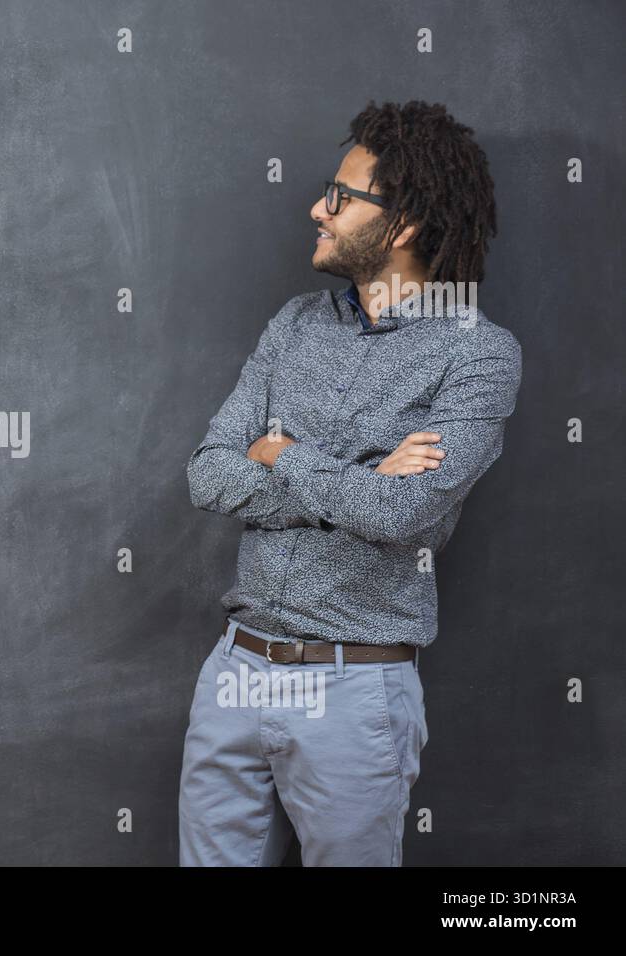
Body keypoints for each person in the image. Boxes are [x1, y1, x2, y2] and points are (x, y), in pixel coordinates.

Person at [179, 100, 522, 866]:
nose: (317, 209)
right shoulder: (294, 324)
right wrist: (358, 486)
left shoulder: (478, 355)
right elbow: (207, 473)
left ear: (400, 225)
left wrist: (281, 451)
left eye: (339, 197)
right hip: (234, 671)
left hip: (352, 690)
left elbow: (405, 516)